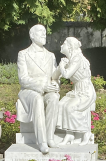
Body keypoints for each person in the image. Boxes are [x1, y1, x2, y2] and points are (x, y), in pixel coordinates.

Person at [16, 24, 60, 154]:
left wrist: (56, 84)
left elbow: (55, 77)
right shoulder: (23, 54)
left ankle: (49, 137)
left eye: (45, 32)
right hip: (29, 90)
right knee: (37, 99)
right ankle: (42, 142)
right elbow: (23, 79)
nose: (44, 34)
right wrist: (41, 85)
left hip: (47, 90)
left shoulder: (50, 55)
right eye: (40, 32)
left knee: (54, 97)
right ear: (32, 35)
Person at [56, 37, 96, 146]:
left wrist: (61, 66)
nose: (61, 46)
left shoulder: (77, 58)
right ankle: (69, 134)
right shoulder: (70, 59)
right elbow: (57, 75)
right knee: (61, 104)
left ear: (69, 47)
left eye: (63, 43)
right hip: (76, 90)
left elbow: (67, 75)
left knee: (70, 107)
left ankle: (86, 133)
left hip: (85, 90)